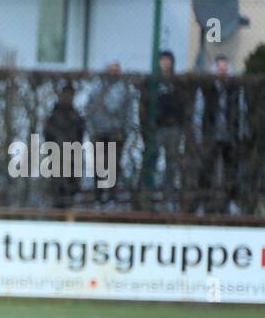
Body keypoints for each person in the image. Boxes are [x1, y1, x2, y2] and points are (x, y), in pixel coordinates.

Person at [192, 54, 249, 214]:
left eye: (225, 68)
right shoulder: (206, 88)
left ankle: (230, 203)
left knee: (231, 172)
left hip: (230, 136)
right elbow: (199, 110)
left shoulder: (236, 88)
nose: (222, 71)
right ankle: (204, 203)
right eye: (219, 68)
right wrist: (199, 135)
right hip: (210, 135)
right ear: (215, 69)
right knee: (206, 171)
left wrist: (240, 132)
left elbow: (242, 110)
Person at [140, 50, 187, 212]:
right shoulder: (151, 81)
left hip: (173, 127)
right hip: (156, 128)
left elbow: (183, 104)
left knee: (171, 163)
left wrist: (180, 124)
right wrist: (146, 126)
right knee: (151, 159)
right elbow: (143, 104)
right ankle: (147, 194)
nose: (165, 63)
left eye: (168, 60)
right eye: (162, 60)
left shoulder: (178, 82)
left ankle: (168, 195)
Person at [84, 61, 132, 206]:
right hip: (99, 132)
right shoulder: (96, 88)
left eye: (116, 70)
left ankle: (111, 196)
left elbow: (127, 112)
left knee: (113, 166)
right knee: (99, 165)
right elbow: (89, 110)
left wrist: (125, 131)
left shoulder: (123, 89)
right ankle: (98, 197)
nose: (113, 73)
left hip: (115, 133)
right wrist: (91, 131)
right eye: (111, 70)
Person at [44, 83, 85, 209]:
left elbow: (80, 136)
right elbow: (48, 136)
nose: (68, 97)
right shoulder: (53, 117)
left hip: (72, 157)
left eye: (70, 95)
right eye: (65, 94)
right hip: (57, 157)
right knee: (58, 186)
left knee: (71, 189)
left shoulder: (76, 116)